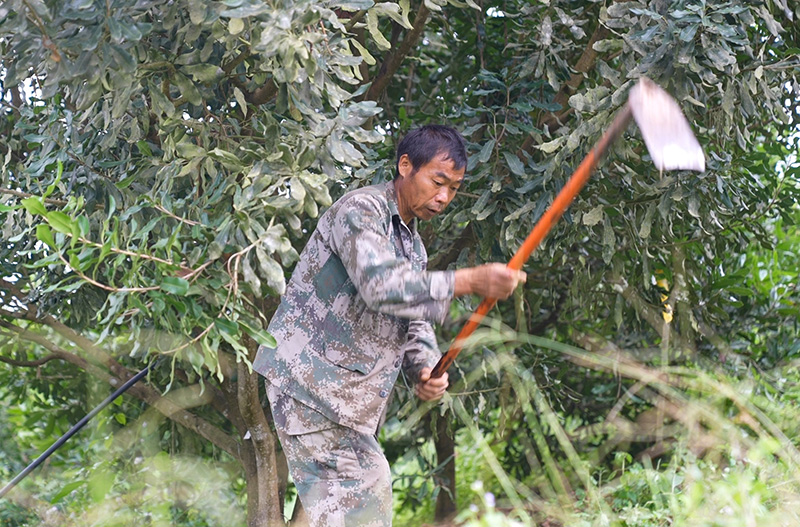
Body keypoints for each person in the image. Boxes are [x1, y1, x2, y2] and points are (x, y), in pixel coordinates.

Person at [253, 125, 526, 526]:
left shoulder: (413, 247)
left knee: (325, 511)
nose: (444, 197)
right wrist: (468, 280)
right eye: (437, 181)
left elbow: (412, 319)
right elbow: (380, 286)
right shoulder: (361, 211)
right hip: (308, 386)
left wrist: (426, 368)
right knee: (366, 497)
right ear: (405, 166)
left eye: (454, 188)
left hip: (343, 400)